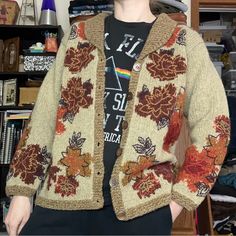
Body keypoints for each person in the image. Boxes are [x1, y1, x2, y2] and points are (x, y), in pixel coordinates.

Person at [4, 0, 230, 235]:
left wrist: (178, 203)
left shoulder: (184, 42)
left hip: (141, 210)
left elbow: (215, 128)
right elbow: (44, 117)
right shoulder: (78, 35)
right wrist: (22, 192)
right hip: (62, 200)